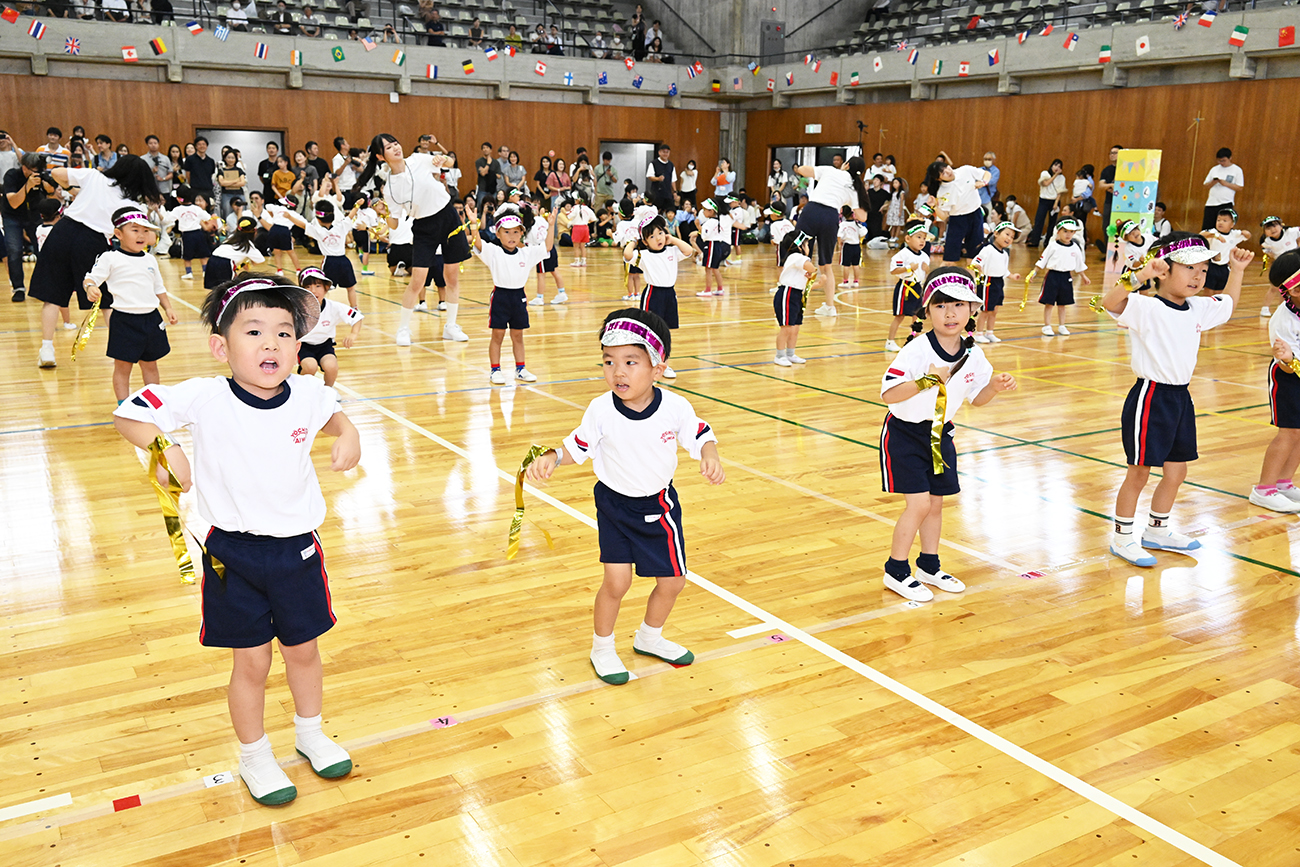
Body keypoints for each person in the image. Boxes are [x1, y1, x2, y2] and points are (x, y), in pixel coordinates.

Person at [112, 274, 360, 808]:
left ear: (299, 345)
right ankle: (254, 755)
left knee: (305, 650)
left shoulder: (310, 393)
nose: (271, 343)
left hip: (298, 550)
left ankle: (310, 732)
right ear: (221, 347)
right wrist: (163, 449)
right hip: (232, 555)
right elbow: (129, 411)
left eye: (285, 332)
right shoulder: (203, 395)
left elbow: (335, 414)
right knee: (250, 663)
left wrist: (351, 436)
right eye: (253, 331)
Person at [524, 308, 724, 684]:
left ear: (658, 368)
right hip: (614, 506)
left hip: (659, 507)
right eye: (609, 362)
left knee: (672, 582)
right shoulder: (600, 409)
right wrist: (551, 457)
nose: (618, 372)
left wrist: (709, 455)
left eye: (631, 362)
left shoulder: (675, 408)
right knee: (617, 583)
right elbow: (577, 447)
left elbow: (701, 434)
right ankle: (602, 647)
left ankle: (650, 637)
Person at [1102, 234, 1251, 566]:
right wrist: (1139, 277)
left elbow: (1228, 304)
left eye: (1203, 269)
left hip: (1181, 397)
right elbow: (1110, 303)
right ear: (1164, 271)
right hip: (1150, 395)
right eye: (1189, 269)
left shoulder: (1198, 306)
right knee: (1139, 471)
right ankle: (1123, 538)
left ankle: (1157, 528)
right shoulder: (1145, 306)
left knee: (1176, 470)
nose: (1198, 276)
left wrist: (1237, 270)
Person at [880, 269, 1016, 602]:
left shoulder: (974, 355)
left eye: (958, 305)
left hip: (941, 435)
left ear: (972, 309)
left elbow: (978, 399)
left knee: (936, 505)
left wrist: (994, 388)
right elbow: (888, 394)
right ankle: (896, 570)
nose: (950, 313)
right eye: (941, 306)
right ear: (927, 312)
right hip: (905, 434)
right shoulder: (916, 351)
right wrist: (928, 380)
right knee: (919, 504)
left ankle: (929, 565)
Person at [31, 156, 163, 368]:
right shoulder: (131, 206)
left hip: (63, 232)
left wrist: (74, 190)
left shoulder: (94, 176)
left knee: (52, 296)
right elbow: (147, 238)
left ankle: (47, 349)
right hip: (92, 241)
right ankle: (123, 348)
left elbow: (56, 174)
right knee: (105, 301)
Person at [359, 133, 470, 344]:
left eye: (395, 143)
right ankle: (403, 329)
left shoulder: (418, 159)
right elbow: (394, 223)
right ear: (381, 156)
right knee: (418, 280)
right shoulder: (390, 188)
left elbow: (451, 162)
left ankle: (451, 326)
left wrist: (441, 159)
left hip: (448, 217)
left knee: (452, 276)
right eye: (389, 148)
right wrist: (382, 215)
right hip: (424, 227)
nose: (396, 148)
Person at [82, 208, 178, 403]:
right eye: (135, 230)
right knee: (123, 367)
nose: (141, 235)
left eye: (145, 230)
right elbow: (90, 278)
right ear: (118, 234)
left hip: (151, 319)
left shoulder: (150, 259)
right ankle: (123, 405)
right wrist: (90, 287)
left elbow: (158, 287)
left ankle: (154, 402)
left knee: (150, 365)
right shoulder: (110, 258)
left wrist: (168, 307)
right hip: (124, 321)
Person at [462, 201, 555, 384]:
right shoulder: (493, 252)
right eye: (506, 232)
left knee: (518, 335)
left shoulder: (526, 253)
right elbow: (478, 244)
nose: (511, 236)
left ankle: (520, 368)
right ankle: (495, 369)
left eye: (516, 232)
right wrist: (474, 225)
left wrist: (551, 226)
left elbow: (547, 247)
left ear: (522, 233)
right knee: (497, 335)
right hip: (500, 297)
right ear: (498, 233)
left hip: (519, 297)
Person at [790, 156, 871, 318]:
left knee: (797, 254)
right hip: (830, 218)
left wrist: (797, 169)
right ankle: (829, 307)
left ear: (846, 165)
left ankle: (794, 300)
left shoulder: (829, 170)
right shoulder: (854, 188)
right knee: (826, 265)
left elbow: (803, 170)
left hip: (810, 213)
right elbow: (863, 217)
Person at [1252, 251, 1300, 512]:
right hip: (1287, 377)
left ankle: (1284, 483)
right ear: (1289, 291)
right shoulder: (1282, 319)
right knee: (1289, 432)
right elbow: (1287, 366)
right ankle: (1264, 489)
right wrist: (1287, 360)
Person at [626, 212, 693, 379]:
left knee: (666, 332)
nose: (658, 238)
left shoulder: (671, 251)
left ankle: (664, 364)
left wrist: (674, 239)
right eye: (652, 236)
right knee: (649, 331)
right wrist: (633, 242)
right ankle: (647, 364)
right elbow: (627, 255)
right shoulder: (644, 256)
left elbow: (689, 251)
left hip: (670, 294)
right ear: (645, 241)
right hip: (653, 295)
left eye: (660, 233)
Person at [296, 267, 363, 387]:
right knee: (310, 366)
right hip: (303, 345)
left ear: (326, 288)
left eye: (318, 286)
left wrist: (353, 334)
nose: (313, 290)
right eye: (308, 287)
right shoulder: (297, 308)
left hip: (325, 344)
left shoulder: (334, 307)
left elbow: (357, 318)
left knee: (332, 366)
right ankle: (301, 389)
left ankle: (328, 391)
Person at [4, 152, 56, 303]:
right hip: (12, 216)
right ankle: (18, 288)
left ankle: (42, 286)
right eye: (33, 170)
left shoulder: (40, 175)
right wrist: (28, 186)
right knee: (14, 250)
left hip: (34, 215)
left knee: (42, 249)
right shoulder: (12, 176)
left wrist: (46, 184)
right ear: (24, 168)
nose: (36, 173)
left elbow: (51, 191)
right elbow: (14, 202)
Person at [923, 160, 990, 263]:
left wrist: (984, 182)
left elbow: (986, 174)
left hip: (976, 215)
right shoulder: (942, 192)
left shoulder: (965, 170)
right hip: (958, 220)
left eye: (946, 167)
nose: (948, 171)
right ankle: (944, 277)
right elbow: (944, 216)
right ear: (939, 178)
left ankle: (973, 278)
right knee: (950, 256)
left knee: (974, 254)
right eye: (943, 173)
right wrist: (935, 207)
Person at [1034, 218, 1089, 336]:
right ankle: (1047, 326)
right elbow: (1043, 259)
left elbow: (1079, 264)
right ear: (1058, 232)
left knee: (1062, 304)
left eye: (1071, 232)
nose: (1068, 234)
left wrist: (1083, 276)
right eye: (1065, 231)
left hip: (1066, 277)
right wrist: (1034, 272)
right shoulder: (1053, 246)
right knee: (1049, 303)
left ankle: (1062, 325)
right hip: (1052, 276)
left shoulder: (1075, 248)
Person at [971, 221, 1021, 344]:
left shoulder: (1005, 254)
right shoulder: (987, 249)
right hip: (987, 282)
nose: (1009, 238)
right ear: (996, 233)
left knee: (994, 310)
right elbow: (976, 261)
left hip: (999, 283)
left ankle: (990, 332)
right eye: (1007, 234)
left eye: (1012, 237)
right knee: (986, 310)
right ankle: (979, 333)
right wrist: (977, 267)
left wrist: (1012, 276)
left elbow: (1004, 270)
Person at [886, 220, 931, 352]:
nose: (922, 241)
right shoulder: (902, 254)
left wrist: (927, 269)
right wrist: (908, 268)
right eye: (918, 237)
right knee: (899, 316)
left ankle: (915, 339)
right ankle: (890, 341)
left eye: (924, 238)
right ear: (908, 238)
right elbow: (894, 270)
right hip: (905, 287)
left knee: (917, 315)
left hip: (918, 287)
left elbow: (924, 274)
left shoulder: (924, 256)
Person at [773, 232, 816, 367]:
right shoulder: (796, 257)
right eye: (806, 244)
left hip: (797, 295)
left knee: (795, 327)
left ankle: (790, 354)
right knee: (786, 327)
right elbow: (812, 268)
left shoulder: (799, 260)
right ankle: (779, 355)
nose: (808, 246)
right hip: (787, 293)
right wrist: (812, 271)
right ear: (799, 246)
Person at [169, 185, 219, 280]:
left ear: (179, 199)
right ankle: (205, 271)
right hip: (198, 233)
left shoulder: (178, 209)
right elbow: (207, 217)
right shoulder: (196, 208)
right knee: (203, 254)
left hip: (187, 235)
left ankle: (189, 272)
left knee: (187, 256)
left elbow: (168, 219)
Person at [1200, 207, 1249, 298]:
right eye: (1218, 220)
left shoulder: (1234, 234)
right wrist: (1215, 236)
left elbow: (1247, 236)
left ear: (1232, 224)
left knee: (1220, 291)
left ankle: (1217, 309)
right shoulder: (1213, 232)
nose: (1220, 222)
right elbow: (1201, 235)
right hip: (1212, 266)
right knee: (1208, 291)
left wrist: (1245, 233)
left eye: (1225, 220)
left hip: (1224, 267)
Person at [206, 214, 265, 288]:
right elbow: (260, 260)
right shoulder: (248, 246)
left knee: (215, 287)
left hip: (212, 259)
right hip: (225, 264)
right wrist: (247, 261)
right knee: (227, 288)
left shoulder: (232, 237)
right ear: (254, 232)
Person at [691, 198, 731, 299]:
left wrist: (698, 226)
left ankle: (708, 290)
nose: (703, 211)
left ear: (711, 211)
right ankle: (720, 288)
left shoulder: (710, 222)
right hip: (717, 245)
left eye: (705, 209)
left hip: (711, 246)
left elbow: (705, 235)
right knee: (715, 268)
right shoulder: (716, 221)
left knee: (708, 269)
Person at [1026, 159, 1066, 248]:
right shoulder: (1045, 174)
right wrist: (1055, 175)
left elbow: (1060, 192)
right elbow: (1046, 183)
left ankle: (1048, 242)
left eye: (1059, 166)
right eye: (1055, 165)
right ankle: (1034, 241)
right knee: (1039, 220)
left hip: (1054, 201)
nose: (1057, 168)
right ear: (1052, 165)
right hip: (1044, 200)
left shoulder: (1062, 178)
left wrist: (1056, 203)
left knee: (1052, 222)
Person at [1202, 147, 1243, 231]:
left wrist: (1225, 183)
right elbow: (1205, 185)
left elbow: (1240, 187)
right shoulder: (1214, 169)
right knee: (1207, 229)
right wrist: (1214, 182)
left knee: (1223, 228)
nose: (1221, 163)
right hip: (1211, 203)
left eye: (1223, 160)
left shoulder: (1237, 170)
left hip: (1226, 203)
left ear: (1230, 158)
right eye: (1219, 161)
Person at [1095, 145, 1120, 254]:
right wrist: (1111, 185)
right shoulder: (1107, 170)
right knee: (1106, 225)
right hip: (1109, 202)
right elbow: (1101, 186)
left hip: (1123, 203)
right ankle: (1108, 251)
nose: (1112, 155)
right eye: (1111, 153)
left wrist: (1113, 187)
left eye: (1115, 153)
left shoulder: (1126, 169)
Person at [837, 206, 865, 288]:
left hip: (847, 246)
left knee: (846, 265)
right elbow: (864, 232)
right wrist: (860, 239)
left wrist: (840, 243)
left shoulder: (842, 225)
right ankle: (856, 281)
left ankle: (845, 282)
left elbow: (839, 235)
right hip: (856, 246)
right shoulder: (857, 224)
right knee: (856, 265)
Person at [183, 137, 217, 204]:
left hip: (208, 190)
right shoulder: (190, 159)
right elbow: (188, 175)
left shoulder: (211, 161)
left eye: (204, 144)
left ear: (207, 146)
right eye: (199, 144)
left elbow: (210, 175)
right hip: (195, 190)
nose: (202, 146)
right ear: (196, 146)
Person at [645, 144, 676, 215]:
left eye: (667, 152)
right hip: (657, 193)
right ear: (659, 152)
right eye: (663, 152)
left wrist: (674, 192)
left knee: (670, 211)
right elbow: (649, 176)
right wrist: (657, 179)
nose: (665, 154)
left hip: (667, 193)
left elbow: (673, 180)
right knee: (656, 212)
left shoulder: (671, 165)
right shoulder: (654, 163)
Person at [218, 150, 248, 219]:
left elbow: (242, 183)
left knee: (242, 213)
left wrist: (228, 183)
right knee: (227, 213)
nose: (231, 160)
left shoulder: (239, 170)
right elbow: (222, 183)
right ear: (225, 158)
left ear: (236, 159)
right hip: (226, 194)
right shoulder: (222, 170)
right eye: (228, 157)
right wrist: (236, 180)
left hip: (239, 194)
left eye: (233, 158)